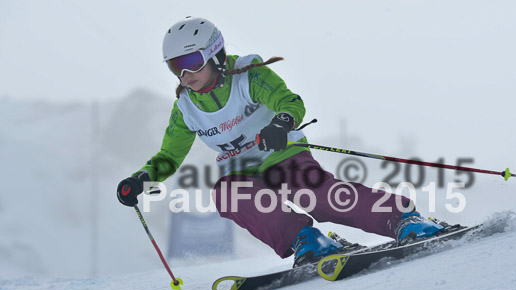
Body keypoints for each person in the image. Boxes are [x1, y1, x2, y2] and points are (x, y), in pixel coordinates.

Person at [117, 17, 444, 266]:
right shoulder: (186, 108)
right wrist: (142, 178)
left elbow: (290, 102)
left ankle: (404, 218)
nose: (185, 74)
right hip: (243, 172)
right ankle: (308, 240)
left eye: (191, 62)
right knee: (227, 194)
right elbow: (169, 156)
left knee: (314, 195)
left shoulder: (248, 74)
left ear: (215, 54)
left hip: (283, 156)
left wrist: (280, 123)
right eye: (176, 67)